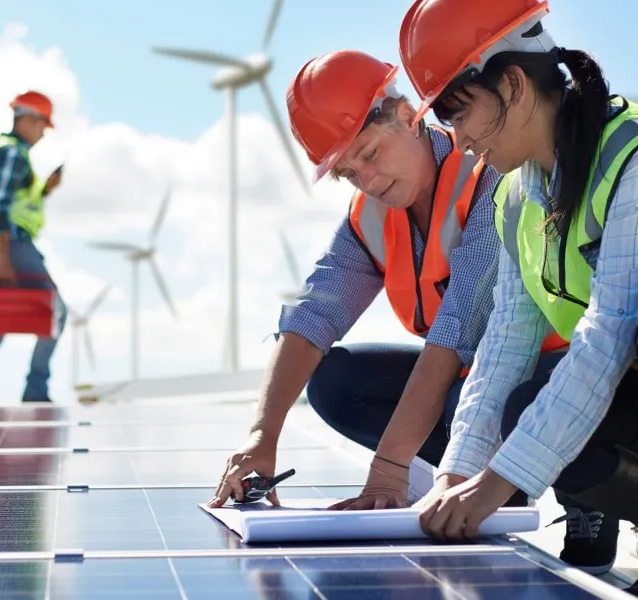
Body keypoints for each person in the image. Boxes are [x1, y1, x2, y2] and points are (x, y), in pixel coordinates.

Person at [207, 50, 565, 511]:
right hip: (469, 382)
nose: (368, 180)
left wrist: (388, 471)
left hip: (550, 372)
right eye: (349, 173)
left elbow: (459, 328)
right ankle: (476, 487)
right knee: (336, 381)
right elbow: (315, 310)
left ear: (406, 116)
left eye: (370, 154)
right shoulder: (372, 217)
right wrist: (262, 434)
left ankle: (571, 498)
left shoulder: (489, 173)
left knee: (467, 398)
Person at [398, 0, 638, 576]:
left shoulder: (629, 159)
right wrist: (458, 475)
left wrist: (495, 485)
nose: (457, 142)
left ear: (513, 85)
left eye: (460, 115)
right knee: (520, 406)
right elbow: (505, 342)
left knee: (541, 416)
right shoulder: (515, 199)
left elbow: (609, 334)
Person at [0, 90, 68, 403]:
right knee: (56, 311)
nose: (43, 133)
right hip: (8, 246)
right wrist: (4, 259)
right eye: (42, 125)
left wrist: (45, 190)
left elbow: (16, 203)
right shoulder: (11, 153)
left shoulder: (9, 152)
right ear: (27, 120)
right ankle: (35, 391)